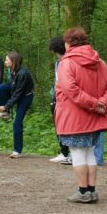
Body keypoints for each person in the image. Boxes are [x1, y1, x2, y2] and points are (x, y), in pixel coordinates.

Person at [54, 28, 107, 204]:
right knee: (89, 152)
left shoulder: (66, 63)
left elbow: (71, 90)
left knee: (78, 153)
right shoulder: (100, 62)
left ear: (68, 44)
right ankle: (91, 190)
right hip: (95, 117)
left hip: (74, 117)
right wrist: (102, 103)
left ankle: (83, 191)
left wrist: (95, 104)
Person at [0, 51, 34, 158]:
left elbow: (17, 94)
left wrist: (6, 106)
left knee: (17, 123)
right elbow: (12, 86)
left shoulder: (23, 74)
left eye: (7, 60)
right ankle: (5, 113)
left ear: (13, 61)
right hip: (17, 92)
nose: (5, 62)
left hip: (25, 98)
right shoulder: (12, 70)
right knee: (1, 88)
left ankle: (17, 151)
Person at [48, 36, 72, 165]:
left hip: (62, 99)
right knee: (59, 126)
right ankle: (64, 152)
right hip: (57, 97)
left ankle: (67, 153)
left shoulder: (66, 62)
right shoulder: (60, 62)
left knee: (65, 126)